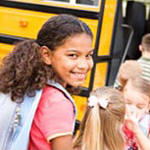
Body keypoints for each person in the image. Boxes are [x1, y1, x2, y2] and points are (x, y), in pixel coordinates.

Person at [0, 14, 94, 150]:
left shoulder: (31, 87)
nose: (84, 65)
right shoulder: (58, 103)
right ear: (47, 55)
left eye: (88, 55)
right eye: (73, 55)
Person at [123, 77, 150, 150]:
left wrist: (136, 131)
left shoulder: (148, 123)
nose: (132, 110)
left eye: (139, 107)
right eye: (128, 103)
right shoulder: (116, 116)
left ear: (147, 107)